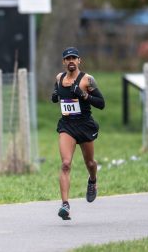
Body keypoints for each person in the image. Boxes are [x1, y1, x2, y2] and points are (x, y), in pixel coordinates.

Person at [51, 47, 105, 220]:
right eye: (68, 58)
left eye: (74, 58)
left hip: (85, 125)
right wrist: (54, 94)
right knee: (66, 164)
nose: (71, 61)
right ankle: (65, 205)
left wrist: (83, 95)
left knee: (90, 162)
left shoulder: (87, 80)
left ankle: (93, 181)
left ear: (79, 60)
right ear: (64, 62)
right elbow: (56, 92)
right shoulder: (59, 78)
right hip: (67, 126)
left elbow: (102, 103)